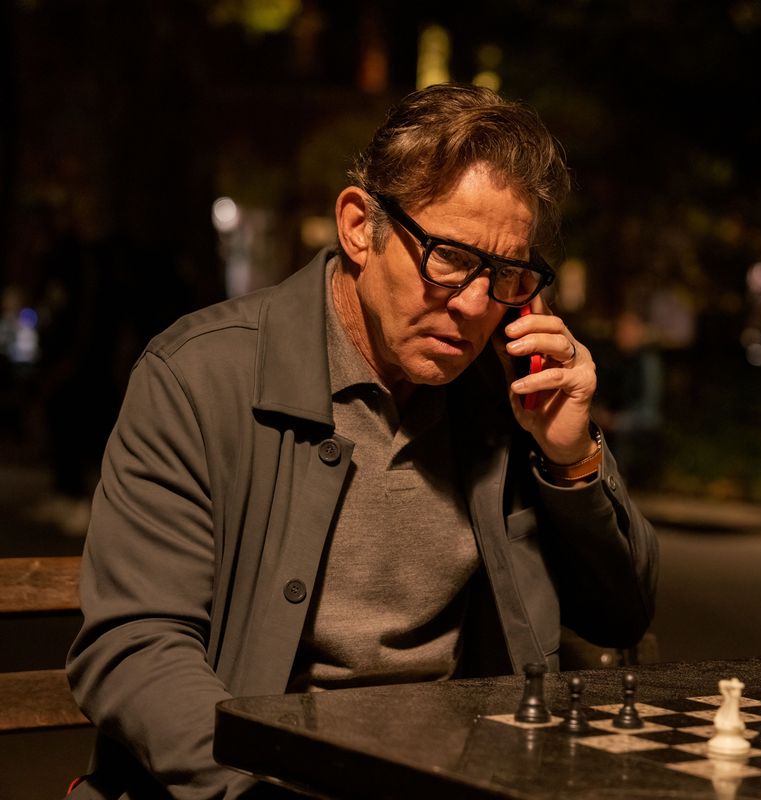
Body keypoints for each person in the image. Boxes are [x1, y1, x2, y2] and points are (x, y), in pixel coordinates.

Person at [66, 84, 659, 798]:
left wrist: (571, 457)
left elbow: (619, 615)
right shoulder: (199, 376)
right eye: (447, 256)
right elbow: (135, 647)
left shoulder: (503, 397)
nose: (474, 304)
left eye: (505, 273)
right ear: (357, 227)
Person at [592, 309, 664, 490]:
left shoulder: (647, 363)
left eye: (630, 330)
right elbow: (602, 394)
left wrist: (618, 421)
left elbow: (649, 409)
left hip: (638, 422)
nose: (624, 335)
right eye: (621, 330)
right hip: (612, 420)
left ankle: (619, 484)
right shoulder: (611, 359)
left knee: (621, 437)